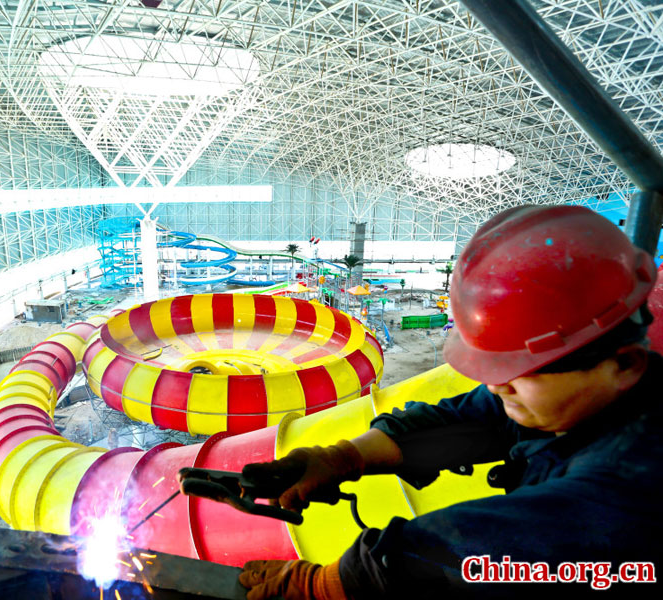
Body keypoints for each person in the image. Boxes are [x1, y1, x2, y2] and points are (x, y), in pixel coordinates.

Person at [238, 205, 661, 598]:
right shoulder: (582, 395)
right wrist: (342, 457)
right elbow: (476, 420)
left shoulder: (638, 475)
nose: (495, 386)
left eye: (522, 370)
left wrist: (338, 583)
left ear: (624, 364)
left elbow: (498, 542)